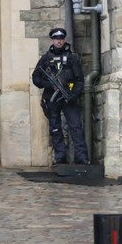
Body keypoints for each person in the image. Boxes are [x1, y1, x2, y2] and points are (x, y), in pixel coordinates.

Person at [31, 27, 89, 165]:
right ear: (52, 40)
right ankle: (60, 157)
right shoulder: (46, 59)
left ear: (64, 40)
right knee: (55, 128)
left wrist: (73, 94)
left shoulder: (72, 58)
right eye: (56, 39)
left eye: (61, 39)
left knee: (75, 127)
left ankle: (81, 157)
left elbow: (79, 80)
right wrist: (50, 85)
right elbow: (36, 78)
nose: (59, 41)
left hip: (68, 97)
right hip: (52, 98)